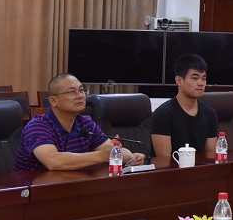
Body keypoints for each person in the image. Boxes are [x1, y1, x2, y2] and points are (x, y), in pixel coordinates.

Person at [13, 73, 145, 171]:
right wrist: (101, 156)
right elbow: (53, 161)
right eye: (72, 92)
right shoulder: (38, 126)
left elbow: (108, 149)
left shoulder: (85, 123)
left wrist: (131, 157)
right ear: (53, 101)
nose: (80, 96)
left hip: (70, 185)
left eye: (82, 90)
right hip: (31, 192)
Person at [150, 53, 218, 160]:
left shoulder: (210, 114)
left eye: (203, 78)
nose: (201, 83)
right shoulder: (163, 114)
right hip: (172, 169)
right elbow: (164, 161)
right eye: (195, 78)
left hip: (201, 169)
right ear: (179, 81)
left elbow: (210, 156)